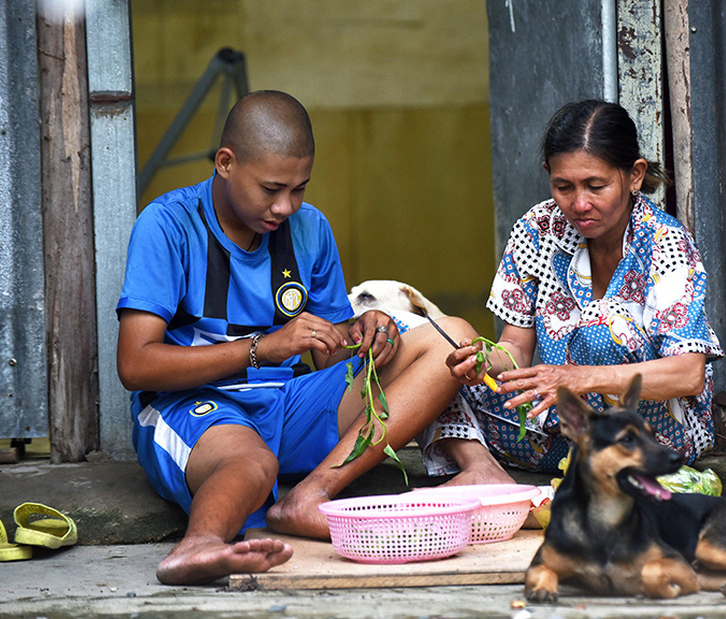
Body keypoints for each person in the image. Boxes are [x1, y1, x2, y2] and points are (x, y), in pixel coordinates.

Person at [115, 90, 482, 585]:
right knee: (251, 462)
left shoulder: (309, 229)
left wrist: (366, 334)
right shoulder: (168, 225)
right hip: (194, 408)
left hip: (288, 403)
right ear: (226, 163)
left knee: (447, 338)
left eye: (299, 189)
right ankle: (198, 545)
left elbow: (329, 351)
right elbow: (135, 365)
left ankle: (310, 495)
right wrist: (262, 349)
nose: (285, 206)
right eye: (270, 189)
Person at [431, 99, 723, 475]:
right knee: (435, 374)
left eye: (595, 186)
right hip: (563, 430)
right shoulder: (537, 229)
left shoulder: (665, 242)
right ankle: (482, 468)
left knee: (601, 332)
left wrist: (578, 378)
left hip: (653, 437)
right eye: (563, 186)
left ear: (634, 175)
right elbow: (517, 347)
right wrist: (483, 361)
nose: (579, 203)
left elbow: (688, 373)